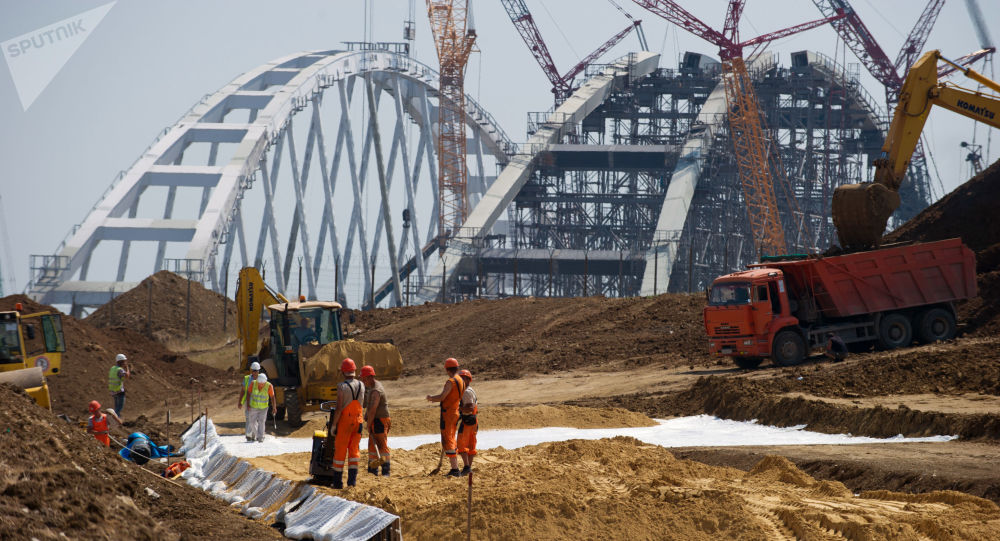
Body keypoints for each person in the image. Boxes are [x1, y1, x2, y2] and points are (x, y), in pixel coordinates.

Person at [425, 357, 466, 477]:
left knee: (448, 440)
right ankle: (455, 468)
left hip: (448, 413)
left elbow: (443, 397)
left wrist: (431, 398)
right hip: (455, 412)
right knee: (451, 437)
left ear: (447, 369)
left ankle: (455, 469)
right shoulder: (461, 380)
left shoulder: (451, 381)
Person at [331, 358, 365, 488]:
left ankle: (338, 483)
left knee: (340, 451)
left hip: (345, 422)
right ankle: (352, 483)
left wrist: (334, 425)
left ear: (343, 372)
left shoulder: (342, 386)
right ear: (354, 370)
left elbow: (339, 408)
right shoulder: (362, 385)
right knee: (354, 451)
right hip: (359, 422)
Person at [361, 365, 391, 477]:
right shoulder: (372, 388)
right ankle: (373, 471)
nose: (363, 382)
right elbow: (370, 407)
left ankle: (385, 472)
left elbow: (373, 409)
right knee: (373, 447)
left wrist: (368, 424)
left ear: (370, 377)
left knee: (382, 446)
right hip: (375, 420)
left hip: (380, 420)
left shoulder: (376, 391)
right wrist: (366, 415)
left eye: (364, 379)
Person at [456, 369, 478, 477]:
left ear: (468, 380)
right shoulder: (469, 390)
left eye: (462, 378)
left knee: (461, 444)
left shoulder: (466, 392)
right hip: (473, 421)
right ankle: (468, 468)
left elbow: (470, 408)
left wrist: (458, 409)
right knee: (470, 445)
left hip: (468, 421)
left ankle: (467, 467)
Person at [246, 373, 276, 442]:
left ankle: (261, 437)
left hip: (264, 408)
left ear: (265, 381)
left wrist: (274, 407)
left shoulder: (269, 386)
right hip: (253, 407)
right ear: (257, 381)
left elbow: (272, 397)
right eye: (260, 383)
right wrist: (248, 404)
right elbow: (248, 393)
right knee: (252, 422)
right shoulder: (253, 384)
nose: (261, 385)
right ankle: (258, 435)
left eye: (263, 383)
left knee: (261, 422)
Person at [237, 361, 261, 441]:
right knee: (248, 417)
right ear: (251, 370)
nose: (254, 372)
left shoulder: (261, 379)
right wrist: (240, 402)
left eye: (256, 371)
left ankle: (254, 434)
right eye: (253, 370)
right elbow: (243, 391)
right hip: (248, 401)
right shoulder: (247, 378)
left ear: (258, 371)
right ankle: (249, 434)